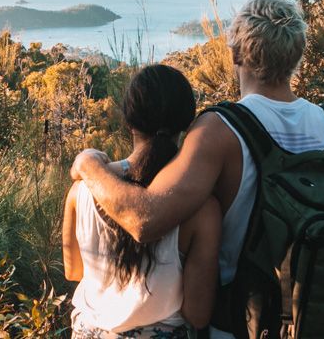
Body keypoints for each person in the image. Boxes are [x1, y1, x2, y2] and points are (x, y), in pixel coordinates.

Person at [71, 0, 324, 338]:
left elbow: (144, 220)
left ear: (237, 54)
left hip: (241, 324)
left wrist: (89, 165)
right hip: (318, 318)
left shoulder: (222, 129)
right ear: (296, 56)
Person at [62, 64, 221, 338]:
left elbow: (74, 270)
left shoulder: (81, 191)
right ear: (187, 123)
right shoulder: (202, 210)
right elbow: (198, 313)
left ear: (128, 121)